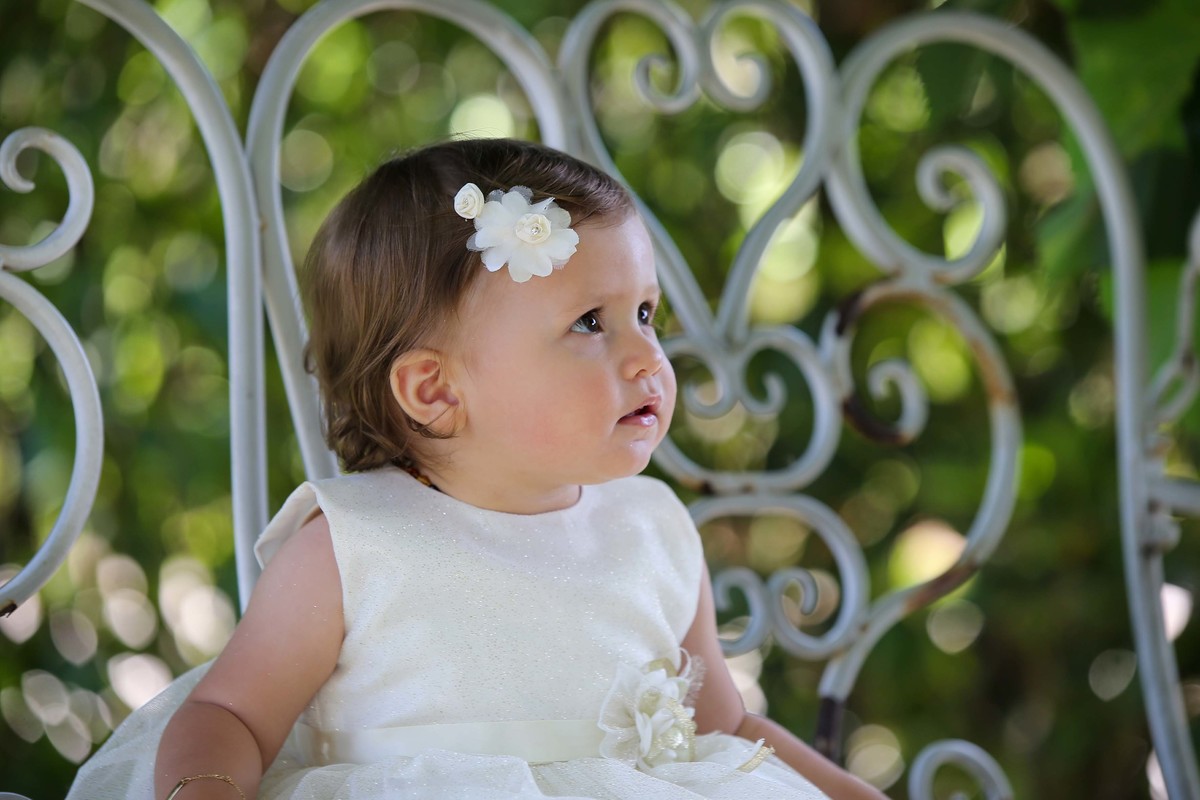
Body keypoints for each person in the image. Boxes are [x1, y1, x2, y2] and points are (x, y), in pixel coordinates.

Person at [68, 138, 885, 800]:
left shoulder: (653, 529)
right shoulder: (354, 547)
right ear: (435, 390)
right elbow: (231, 714)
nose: (649, 357)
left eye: (645, 313)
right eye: (590, 323)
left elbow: (724, 727)